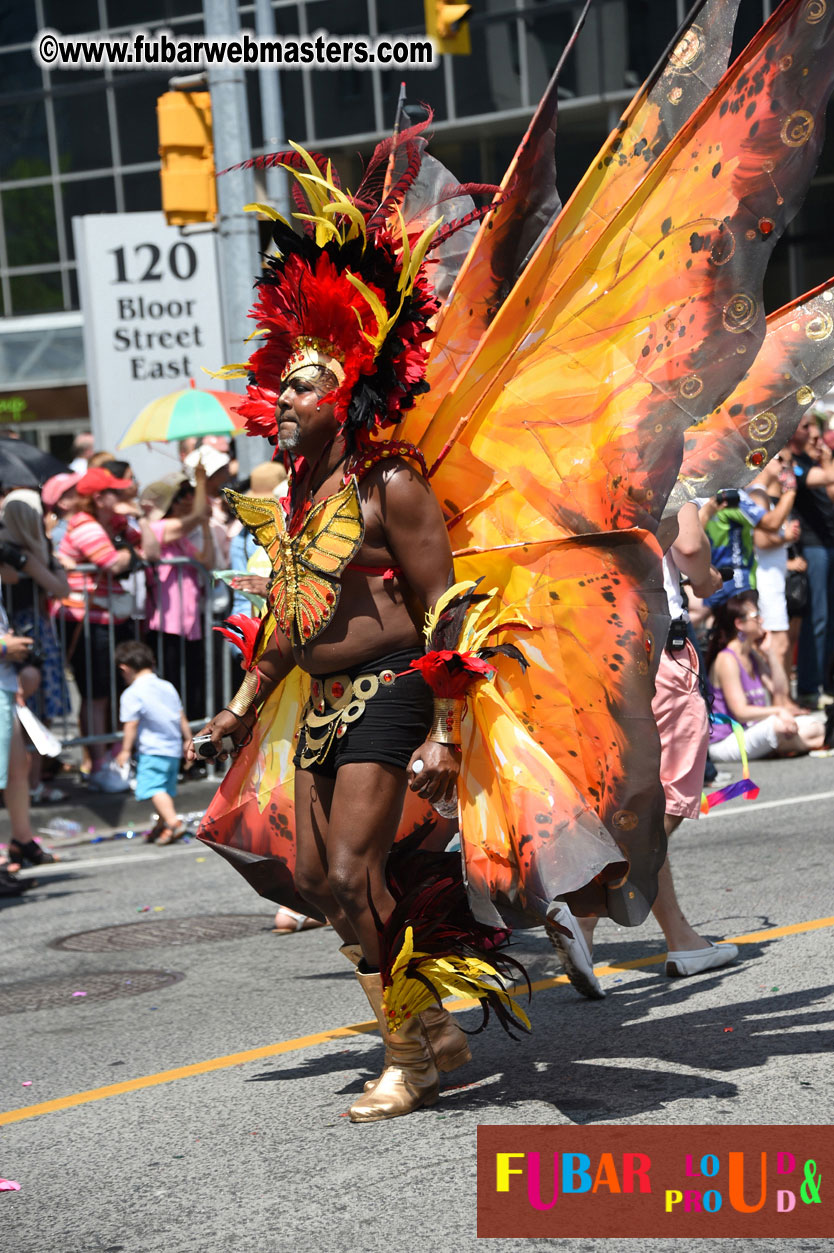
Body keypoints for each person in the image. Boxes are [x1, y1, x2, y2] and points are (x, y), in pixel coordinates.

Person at [549, 503, 740, 992]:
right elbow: (692, 548)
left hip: (592, 648)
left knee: (628, 796)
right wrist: (709, 579)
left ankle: (678, 938)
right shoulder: (672, 464)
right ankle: (586, 908)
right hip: (658, 649)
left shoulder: (580, 469)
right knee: (663, 800)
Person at [52, 466, 142, 779]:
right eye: (116, 491)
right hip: (86, 622)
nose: (124, 495)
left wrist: (130, 544)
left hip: (108, 620)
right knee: (97, 694)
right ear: (101, 498)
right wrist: (130, 553)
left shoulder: (110, 522)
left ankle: (114, 759)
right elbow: (114, 562)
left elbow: (141, 546)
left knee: (115, 693)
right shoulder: (85, 526)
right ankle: (100, 763)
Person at [706, 589, 825, 760]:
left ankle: (791, 746)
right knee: (779, 725)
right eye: (756, 616)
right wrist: (779, 711)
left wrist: (769, 654)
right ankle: (804, 744)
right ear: (739, 624)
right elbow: (741, 712)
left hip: (753, 730)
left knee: (814, 725)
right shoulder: (727, 659)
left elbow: (780, 692)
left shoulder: (752, 655)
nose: (761, 620)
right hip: (727, 741)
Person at [139, 464, 213, 722]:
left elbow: (207, 561)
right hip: (165, 625)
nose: (189, 500)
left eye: (191, 493)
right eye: (182, 495)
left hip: (189, 625)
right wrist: (201, 481)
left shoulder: (180, 537)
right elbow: (200, 511)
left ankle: (192, 748)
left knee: (193, 688)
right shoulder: (158, 529)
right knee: (172, 689)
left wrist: (204, 526)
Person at [114, 640, 191, 845]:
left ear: (124, 668)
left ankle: (173, 822)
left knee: (153, 788)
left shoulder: (132, 693)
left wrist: (125, 750)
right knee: (163, 788)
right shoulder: (167, 686)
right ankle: (161, 826)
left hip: (152, 749)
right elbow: (180, 715)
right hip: (173, 748)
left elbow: (131, 724)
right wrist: (188, 740)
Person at [788, 413, 834, 706]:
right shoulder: (796, 467)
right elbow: (828, 477)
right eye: (808, 431)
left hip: (827, 545)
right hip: (812, 547)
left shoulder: (812, 464)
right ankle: (808, 686)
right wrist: (828, 461)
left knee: (828, 618)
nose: (817, 440)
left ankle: (825, 682)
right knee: (816, 618)